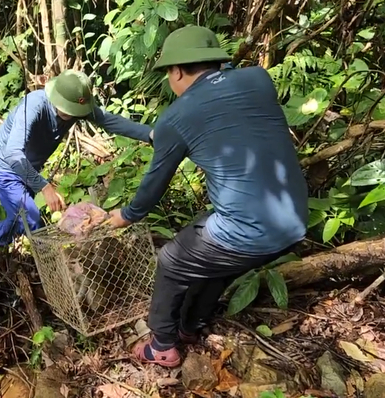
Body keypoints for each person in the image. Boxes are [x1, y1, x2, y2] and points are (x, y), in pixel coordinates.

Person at [107, 25, 309, 368]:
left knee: (172, 260)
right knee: (211, 260)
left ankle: (162, 346)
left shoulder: (178, 116)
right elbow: (211, 118)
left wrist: (124, 215)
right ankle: (189, 327)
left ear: (177, 70)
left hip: (250, 228)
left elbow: (153, 186)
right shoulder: (258, 79)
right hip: (293, 222)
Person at [0, 69, 154, 247]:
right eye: (67, 110)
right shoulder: (34, 105)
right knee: (30, 217)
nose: (71, 115)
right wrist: (44, 187)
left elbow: (111, 122)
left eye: (76, 111)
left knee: (16, 213)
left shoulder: (79, 108)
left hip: (28, 168)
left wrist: (151, 134)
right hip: (4, 165)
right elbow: (13, 153)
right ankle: (48, 261)